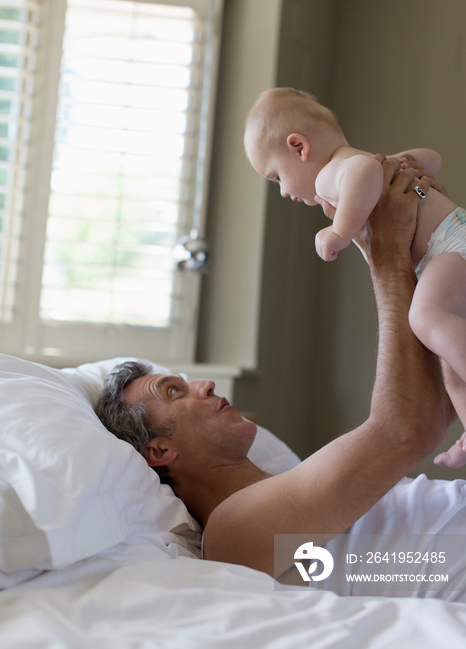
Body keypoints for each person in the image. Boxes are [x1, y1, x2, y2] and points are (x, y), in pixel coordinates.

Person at [96, 158, 456, 586]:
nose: (204, 384)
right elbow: (408, 428)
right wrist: (386, 252)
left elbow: (429, 410)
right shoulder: (233, 531)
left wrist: (416, 245)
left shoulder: (292, 486)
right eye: (174, 392)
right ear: (158, 452)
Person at [244, 87, 466, 468]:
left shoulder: (334, 173)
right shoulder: (362, 166)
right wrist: (407, 162)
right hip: (446, 254)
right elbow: (432, 157)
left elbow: (362, 172)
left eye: (276, 176)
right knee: (450, 363)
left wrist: (340, 231)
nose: (282, 191)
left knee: (425, 319)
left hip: (450, 245)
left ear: (299, 147)